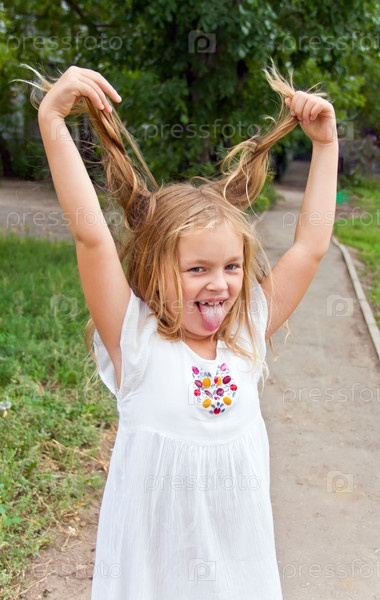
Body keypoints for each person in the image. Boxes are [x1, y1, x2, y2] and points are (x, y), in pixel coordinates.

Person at [32, 64, 338, 599]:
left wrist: (326, 145)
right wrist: (52, 120)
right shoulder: (135, 342)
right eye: (197, 269)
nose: (219, 284)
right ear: (155, 273)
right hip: (152, 578)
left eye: (232, 266)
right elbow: (91, 236)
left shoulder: (247, 332)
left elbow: (310, 247)